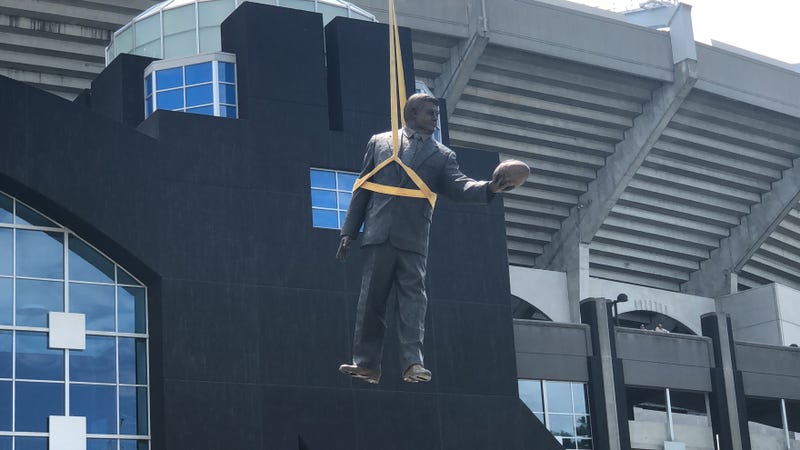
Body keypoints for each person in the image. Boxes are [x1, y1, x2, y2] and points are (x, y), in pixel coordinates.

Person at [336, 93, 515, 384]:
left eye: (436, 114)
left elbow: (460, 186)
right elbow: (362, 188)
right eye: (430, 113)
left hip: (414, 237)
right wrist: (348, 232)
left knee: (413, 301)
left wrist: (489, 188)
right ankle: (366, 364)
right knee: (371, 300)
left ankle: (412, 364)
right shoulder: (380, 143)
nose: (435, 118)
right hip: (379, 232)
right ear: (412, 112)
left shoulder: (443, 156)